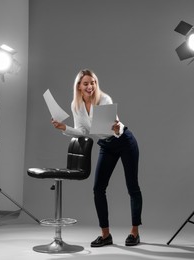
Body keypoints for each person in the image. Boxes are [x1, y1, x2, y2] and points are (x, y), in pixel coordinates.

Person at [51, 69, 142, 247]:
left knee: (132, 186)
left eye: (92, 82)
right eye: (86, 83)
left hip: (124, 141)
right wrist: (64, 127)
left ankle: (134, 232)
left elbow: (116, 126)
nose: (90, 86)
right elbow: (83, 132)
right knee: (98, 189)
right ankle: (105, 235)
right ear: (79, 86)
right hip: (106, 146)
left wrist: (116, 129)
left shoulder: (104, 99)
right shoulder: (75, 105)